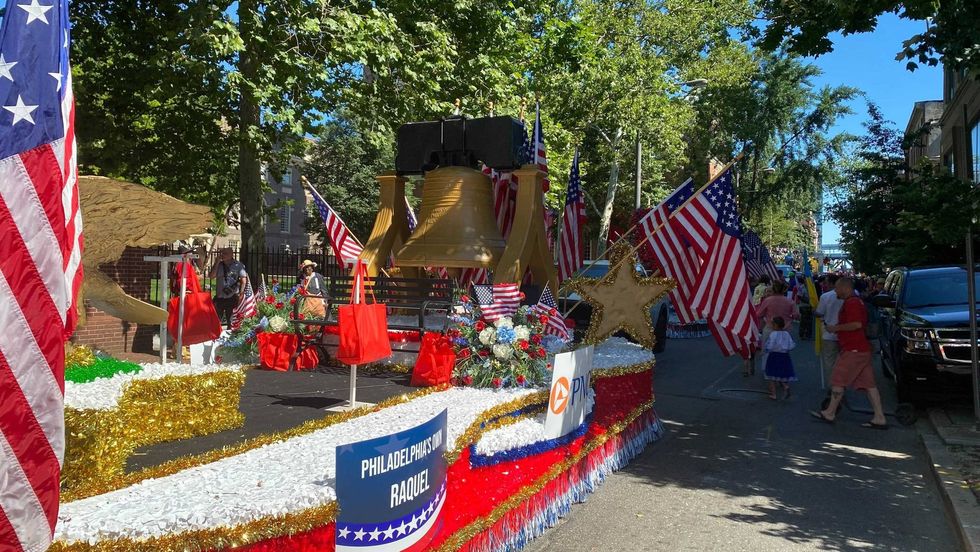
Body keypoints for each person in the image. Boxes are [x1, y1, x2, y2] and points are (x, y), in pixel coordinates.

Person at [811, 277, 888, 429]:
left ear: (845, 288)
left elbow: (856, 324)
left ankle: (830, 412)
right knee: (869, 384)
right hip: (861, 349)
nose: (835, 292)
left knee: (838, 379)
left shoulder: (852, 303)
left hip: (853, 349)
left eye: (837, 289)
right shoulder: (857, 301)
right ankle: (879, 416)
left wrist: (836, 328)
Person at [752, 280, 799, 375]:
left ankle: (768, 372)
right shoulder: (790, 301)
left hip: (770, 328)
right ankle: (782, 372)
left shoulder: (768, 300)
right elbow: (796, 315)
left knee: (767, 352)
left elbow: (759, 314)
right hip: (785, 330)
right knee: (783, 353)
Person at [814, 274, 843, 387]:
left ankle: (833, 386)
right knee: (842, 361)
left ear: (832, 283)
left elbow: (819, 313)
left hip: (829, 332)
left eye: (826, 282)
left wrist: (814, 311)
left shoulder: (825, 296)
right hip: (843, 334)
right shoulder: (849, 295)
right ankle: (840, 385)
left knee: (829, 362)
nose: (824, 285)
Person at [209, 247, 248, 328]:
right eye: (222, 253)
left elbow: (244, 280)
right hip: (220, 297)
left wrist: (241, 293)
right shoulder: (219, 265)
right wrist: (216, 262)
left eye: (225, 253)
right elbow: (211, 276)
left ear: (231, 254)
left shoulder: (238, 265)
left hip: (232, 297)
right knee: (216, 321)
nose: (223, 255)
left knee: (232, 322)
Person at [764, 316, 796, 400]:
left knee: (771, 374)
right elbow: (792, 345)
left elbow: (770, 345)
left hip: (774, 355)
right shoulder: (786, 334)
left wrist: (767, 349)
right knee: (781, 373)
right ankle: (785, 386)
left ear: (775, 325)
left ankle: (773, 394)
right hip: (784, 356)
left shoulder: (773, 334)